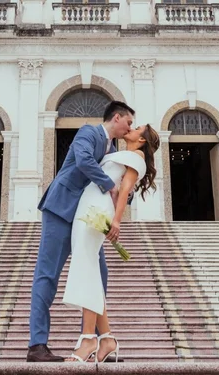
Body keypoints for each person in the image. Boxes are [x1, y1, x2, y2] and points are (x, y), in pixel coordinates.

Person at [27, 101, 136, 363]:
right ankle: (37, 345)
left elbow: (115, 184)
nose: (130, 127)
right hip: (61, 210)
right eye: (129, 122)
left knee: (99, 275)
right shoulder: (88, 132)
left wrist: (125, 195)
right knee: (47, 276)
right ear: (117, 117)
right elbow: (85, 160)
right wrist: (110, 186)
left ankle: (96, 343)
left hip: (86, 220)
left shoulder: (113, 150)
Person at [62, 123, 160, 364]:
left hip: (97, 211)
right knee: (90, 269)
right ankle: (106, 339)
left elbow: (125, 190)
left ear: (142, 140)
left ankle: (88, 339)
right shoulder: (122, 152)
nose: (131, 128)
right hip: (88, 206)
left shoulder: (136, 157)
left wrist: (116, 221)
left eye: (136, 128)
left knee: (86, 267)